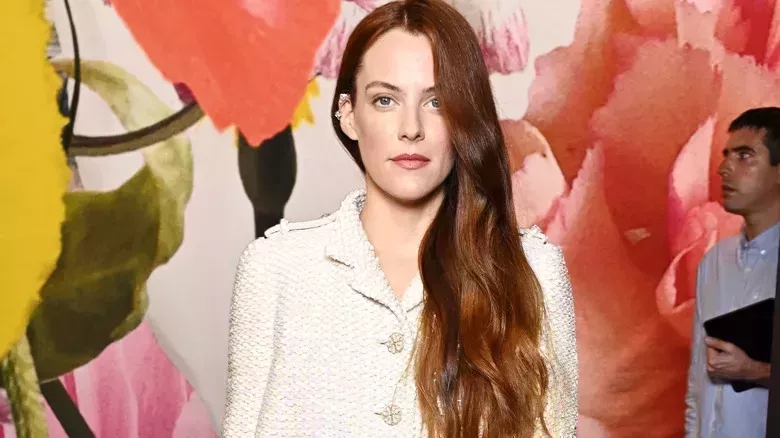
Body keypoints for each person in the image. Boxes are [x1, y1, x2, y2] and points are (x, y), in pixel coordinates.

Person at [220, 0, 578, 436]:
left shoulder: (536, 271)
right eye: (385, 100)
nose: (411, 128)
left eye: (436, 102)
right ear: (348, 115)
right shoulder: (274, 269)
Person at [684, 107, 780, 437]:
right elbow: (698, 379)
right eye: (726, 155)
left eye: (744, 155)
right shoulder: (714, 261)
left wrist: (755, 371)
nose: (723, 168)